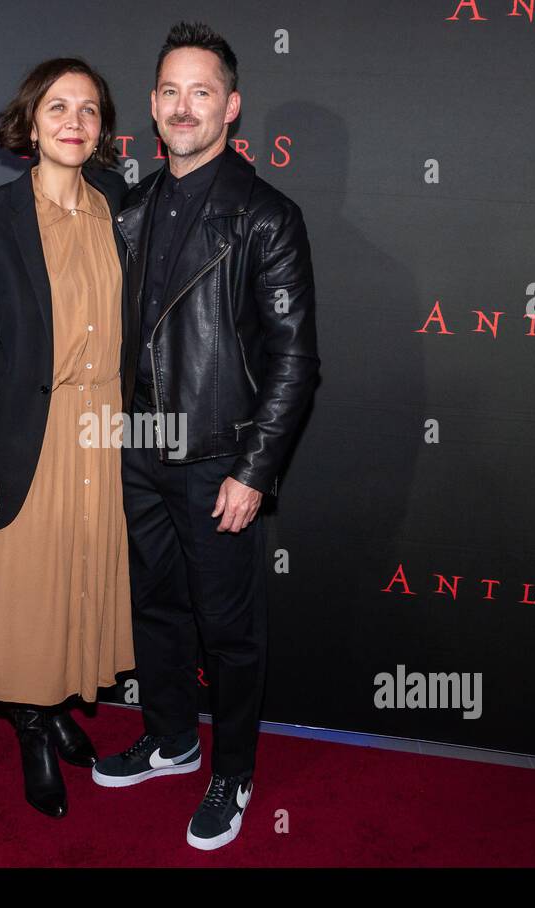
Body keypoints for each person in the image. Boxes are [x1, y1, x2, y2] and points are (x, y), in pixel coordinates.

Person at [91, 22, 320, 851]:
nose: (184, 106)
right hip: (140, 450)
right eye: (170, 91)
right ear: (152, 106)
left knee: (228, 630)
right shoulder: (133, 206)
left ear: (231, 105)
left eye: (201, 91)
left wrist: (255, 469)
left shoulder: (265, 216)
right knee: (154, 608)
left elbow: (298, 359)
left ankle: (233, 770)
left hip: (221, 456)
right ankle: (171, 737)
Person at [0, 58, 133, 819]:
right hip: (29, 429)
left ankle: (59, 705)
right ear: (28, 122)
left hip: (109, 427)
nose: (74, 121)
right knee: (28, 590)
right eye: (58, 106)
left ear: (103, 130)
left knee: (81, 576)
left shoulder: (120, 203)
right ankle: (30, 723)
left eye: (89, 110)